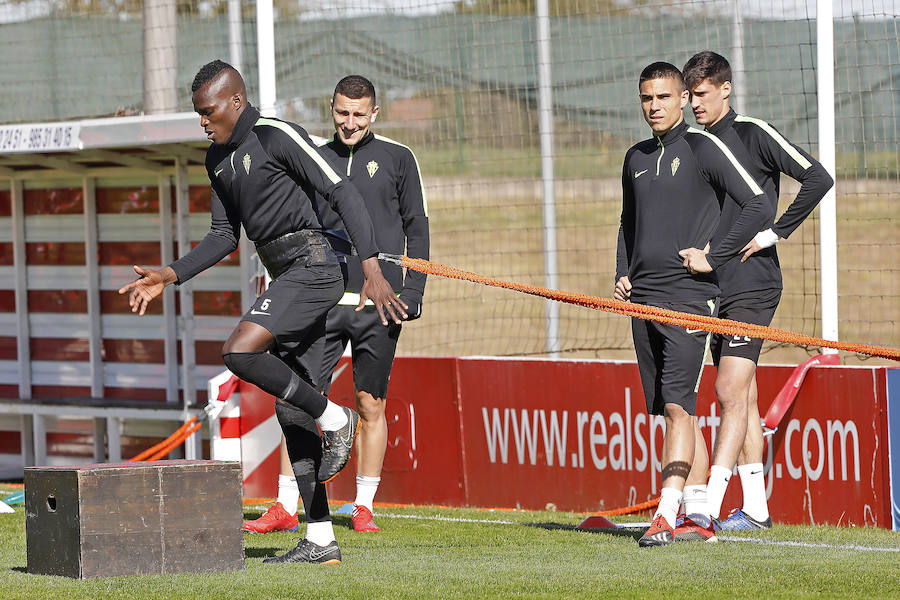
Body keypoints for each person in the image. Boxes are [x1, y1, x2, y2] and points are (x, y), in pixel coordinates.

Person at [119, 60, 408, 564]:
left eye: (208, 112)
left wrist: (374, 270)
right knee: (290, 406)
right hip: (287, 274)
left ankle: (336, 416)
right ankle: (320, 539)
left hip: (315, 268)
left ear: (235, 102)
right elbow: (223, 237)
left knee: (239, 350)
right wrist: (169, 274)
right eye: (197, 114)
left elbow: (342, 191)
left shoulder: (276, 135)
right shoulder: (216, 159)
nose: (203, 122)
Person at [243, 75, 430, 534]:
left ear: (374, 114)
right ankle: (287, 505)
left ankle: (364, 505)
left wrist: (415, 291)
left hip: (380, 304)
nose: (349, 123)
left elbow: (417, 225)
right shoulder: (314, 156)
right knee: (298, 400)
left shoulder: (398, 158)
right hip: (320, 300)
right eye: (342, 113)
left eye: (359, 114)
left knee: (370, 404)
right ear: (332, 109)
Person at [615, 61, 772, 547]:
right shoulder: (635, 156)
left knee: (682, 407)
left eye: (663, 97)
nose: (654, 106)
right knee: (669, 408)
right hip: (642, 300)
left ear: (683, 98)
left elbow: (758, 205)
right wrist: (621, 270)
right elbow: (627, 221)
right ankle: (696, 511)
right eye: (646, 98)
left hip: (688, 298)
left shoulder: (704, 147)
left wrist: (714, 257)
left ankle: (664, 514)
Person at [681, 51, 833, 532]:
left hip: (753, 283)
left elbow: (818, 177)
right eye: (691, 96)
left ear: (725, 89)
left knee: (727, 390)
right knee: (742, 397)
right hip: (711, 286)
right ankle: (757, 511)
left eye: (702, 94)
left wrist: (776, 232)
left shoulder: (752, 132)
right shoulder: (695, 146)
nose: (695, 104)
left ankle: (708, 506)